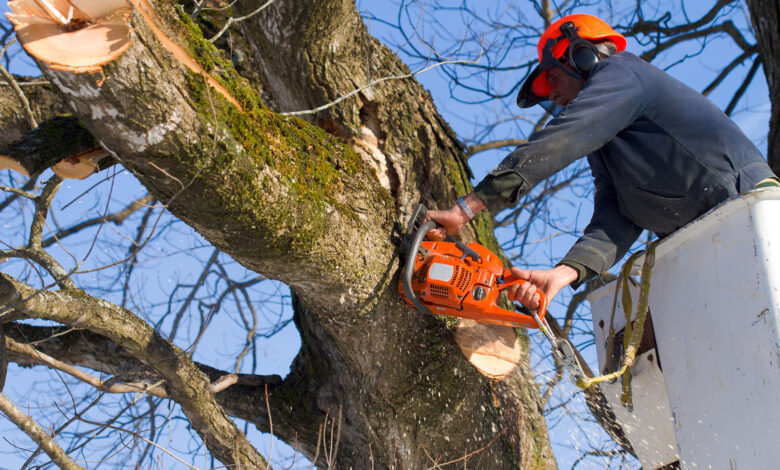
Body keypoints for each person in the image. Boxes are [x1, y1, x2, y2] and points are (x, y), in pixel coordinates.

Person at [425, 13, 779, 309]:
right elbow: (617, 216)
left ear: (582, 56)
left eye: (553, 79)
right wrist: (562, 274)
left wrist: (466, 209)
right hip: (708, 240)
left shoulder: (623, 73)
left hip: (748, 209)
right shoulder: (606, 142)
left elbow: (563, 138)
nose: (556, 97)